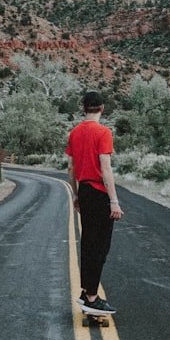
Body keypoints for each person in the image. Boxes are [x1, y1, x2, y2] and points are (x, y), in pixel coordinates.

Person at [66, 90, 123, 315]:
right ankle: (91, 297)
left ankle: (86, 291)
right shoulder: (103, 133)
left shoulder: (74, 133)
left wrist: (76, 194)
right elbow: (105, 168)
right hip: (99, 193)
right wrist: (114, 201)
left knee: (88, 242)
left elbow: (70, 168)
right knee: (100, 246)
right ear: (102, 108)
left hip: (85, 192)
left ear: (83, 109)